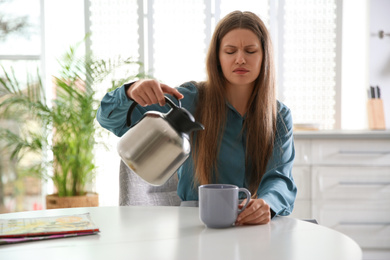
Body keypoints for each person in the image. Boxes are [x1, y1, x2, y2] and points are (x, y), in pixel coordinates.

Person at [97, 10, 297, 225]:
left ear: (264, 57)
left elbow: (279, 177)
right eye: (230, 51)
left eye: (250, 51)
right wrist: (130, 92)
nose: (240, 59)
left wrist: (267, 203)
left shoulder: (279, 116)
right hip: (193, 222)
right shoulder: (189, 98)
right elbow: (110, 119)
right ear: (218, 58)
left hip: (248, 223)